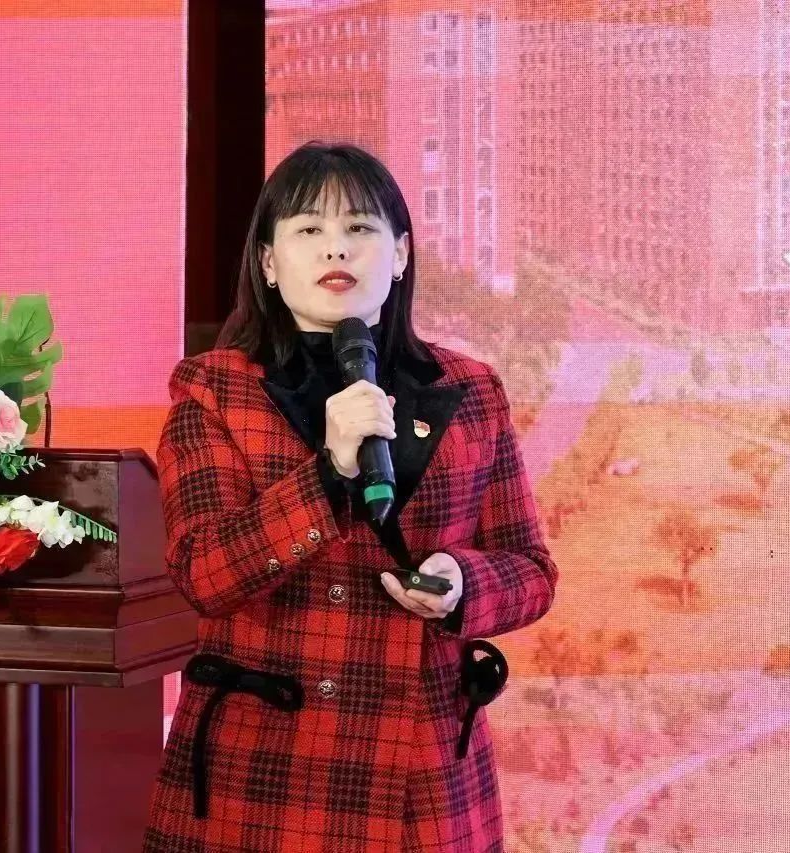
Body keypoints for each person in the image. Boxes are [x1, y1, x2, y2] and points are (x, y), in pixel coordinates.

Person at [142, 142, 558, 852]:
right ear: (268, 262)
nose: (336, 247)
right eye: (309, 229)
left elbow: (532, 571)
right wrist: (328, 471)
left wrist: (463, 584)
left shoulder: (469, 390)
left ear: (400, 254)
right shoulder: (215, 390)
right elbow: (204, 574)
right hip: (262, 779)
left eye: (360, 227)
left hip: (422, 781)